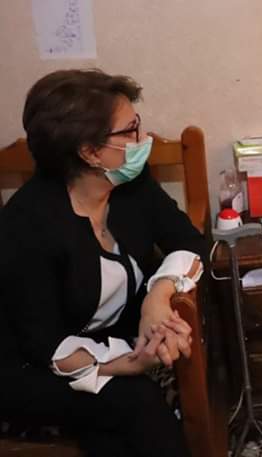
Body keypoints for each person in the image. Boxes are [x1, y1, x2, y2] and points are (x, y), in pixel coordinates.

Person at [0, 69, 205, 457]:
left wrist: (158, 298)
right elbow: (45, 345)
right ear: (89, 152)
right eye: (130, 131)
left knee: (116, 429)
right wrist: (133, 362)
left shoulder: (131, 184)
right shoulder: (27, 226)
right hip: (33, 365)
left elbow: (188, 240)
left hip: (108, 338)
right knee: (134, 401)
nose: (142, 138)